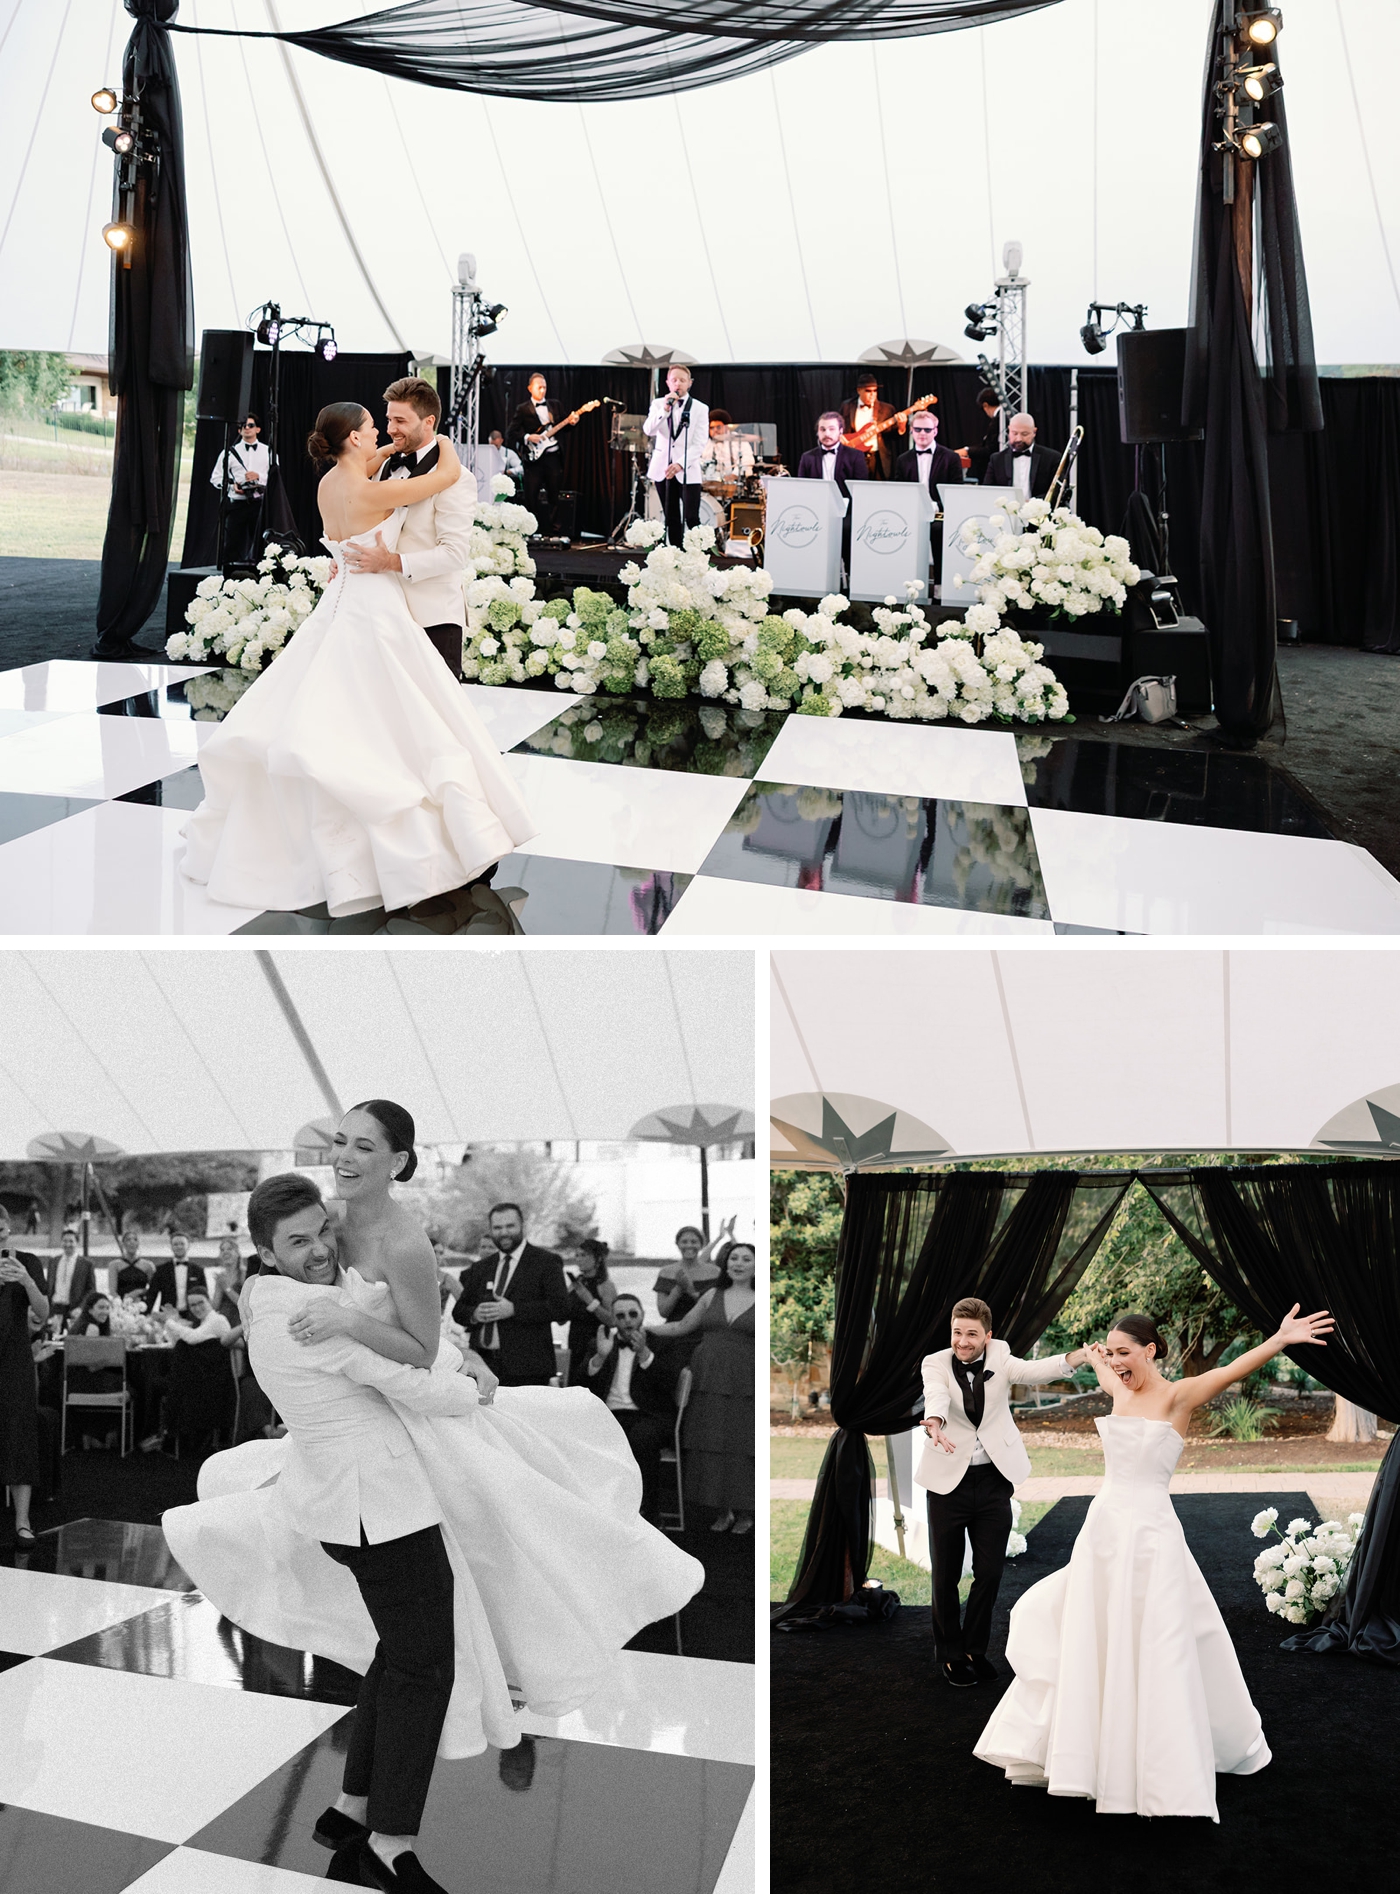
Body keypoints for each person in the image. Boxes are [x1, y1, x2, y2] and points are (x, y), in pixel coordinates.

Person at [163, 1164, 704, 1890]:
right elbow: (410, 1381)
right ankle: (391, 1839)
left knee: (399, 1653)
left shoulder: (274, 1295)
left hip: (348, 1505)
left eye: (323, 1230)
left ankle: (352, 1806)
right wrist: (475, 1385)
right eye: (299, 1241)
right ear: (266, 1251)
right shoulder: (304, 1322)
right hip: (376, 1512)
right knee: (428, 1666)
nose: (321, 1248)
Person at [181, 399, 536, 925]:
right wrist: (442, 444)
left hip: (344, 601)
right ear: (354, 439)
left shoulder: (331, 485)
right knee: (399, 720)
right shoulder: (375, 489)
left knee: (342, 710)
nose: (382, 434)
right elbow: (446, 475)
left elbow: (373, 484)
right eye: (375, 427)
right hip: (378, 606)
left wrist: (397, 444)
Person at [974, 1304, 1333, 1820]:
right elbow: (1101, 1365)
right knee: (1091, 1630)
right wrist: (1096, 1356)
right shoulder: (1120, 1389)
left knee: (1158, 1638)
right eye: (1112, 1353)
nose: (1118, 1363)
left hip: (1151, 1533)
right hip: (1103, 1530)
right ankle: (1090, 1749)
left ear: (1151, 1350)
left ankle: (1160, 1763)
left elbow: (1231, 1369)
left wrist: (1279, 1340)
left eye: (1126, 1353)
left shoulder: (1177, 1395)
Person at [914, 1297, 1088, 1688]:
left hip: (993, 1481)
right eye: (957, 1332)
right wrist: (936, 1421)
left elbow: (1034, 1372)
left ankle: (975, 1648)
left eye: (971, 1334)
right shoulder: (935, 1363)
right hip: (947, 1484)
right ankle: (951, 1655)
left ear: (987, 1336)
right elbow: (936, 1395)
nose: (962, 1341)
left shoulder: (1002, 1356)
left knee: (989, 1572)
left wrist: (1077, 1357)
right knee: (945, 1575)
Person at [340, 377, 479, 682]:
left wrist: (392, 562)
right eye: (389, 419)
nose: (391, 428)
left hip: (432, 618)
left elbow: (455, 554)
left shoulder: (457, 478)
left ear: (429, 422)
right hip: (381, 615)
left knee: (435, 721)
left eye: (400, 420)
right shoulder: (379, 469)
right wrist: (343, 563)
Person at [651, 1237, 755, 1533]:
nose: (738, 1263)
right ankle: (723, 1511)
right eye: (734, 1258)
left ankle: (747, 1512)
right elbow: (681, 1326)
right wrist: (644, 1329)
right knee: (713, 1443)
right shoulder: (711, 1294)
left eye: (746, 1259)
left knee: (741, 1444)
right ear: (726, 1263)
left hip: (746, 1382)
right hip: (708, 1378)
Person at [451, 1202, 572, 1388]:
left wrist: (514, 1310)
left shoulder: (546, 1262)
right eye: (497, 1228)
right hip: (483, 1367)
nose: (504, 1232)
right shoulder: (481, 1268)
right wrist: (475, 1314)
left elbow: (562, 1308)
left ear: (522, 1226)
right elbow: (459, 1311)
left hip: (527, 1369)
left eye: (510, 1226)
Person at [585, 1295, 680, 1523]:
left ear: (643, 1315)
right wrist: (599, 1357)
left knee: (642, 1438)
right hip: (610, 1415)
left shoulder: (662, 1344)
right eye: (620, 1316)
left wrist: (645, 1355)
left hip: (650, 1415)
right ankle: (596, 1513)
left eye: (632, 1314)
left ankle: (647, 1513)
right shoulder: (602, 1343)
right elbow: (581, 1386)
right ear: (613, 1321)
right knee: (587, 1435)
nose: (627, 1320)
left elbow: (671, 1384)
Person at [0, 1201, 50, 1544]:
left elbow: (43, 1313)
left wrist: (28, 1281)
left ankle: (22, 1519)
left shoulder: (28, 1261)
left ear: (8, 1228)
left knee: (20, 1432)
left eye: (1, 1229)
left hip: (15, 1357)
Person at [894, 409, 964, 584]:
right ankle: (906, 583)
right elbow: (899, 491)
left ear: (935, 431)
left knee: (939, 532)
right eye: (918, 429)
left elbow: (955, 491)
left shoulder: (951, 457)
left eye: (927, 430)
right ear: (911, 430)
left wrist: (937, 505)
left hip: (941, 515)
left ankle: (940, 586)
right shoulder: (902, 460)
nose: (922, 434)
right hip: (911, 515)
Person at [643, 364, 709, 547]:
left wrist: (680, 463)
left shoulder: (700, 408)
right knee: (671, 517)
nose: (678, 384)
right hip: (663, 468)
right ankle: (676, 556)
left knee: (691, 517)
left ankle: (699, 556)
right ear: (667, 383)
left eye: (682, 380)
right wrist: (664, 409)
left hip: (688, 469)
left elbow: (700, 442)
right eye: (674, 380)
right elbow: (648, 430)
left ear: (690, 383)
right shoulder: (658, 405)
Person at [507, 372, 576, 536]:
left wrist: (572, 423)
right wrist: (527, 437)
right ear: (530, 388)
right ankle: (530, 531)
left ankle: (555, 531)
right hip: (534, 459)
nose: (543, 390)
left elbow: (563, 428)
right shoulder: (523, 409)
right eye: (539, 387)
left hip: (553, 456)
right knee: (531, 496)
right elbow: (511, 432)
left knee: (554, 494)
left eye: (545, 387)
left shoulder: (555, 405)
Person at [210, 413, 274, 562]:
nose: (247, 428)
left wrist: (259, 477)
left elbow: (275, 478)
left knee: (261, 544)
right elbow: (216, 477)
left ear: (258, 429)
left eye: (250, 425)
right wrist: (232, 487)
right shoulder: (229, 452)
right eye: (243, 426)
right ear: (239, 431)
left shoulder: (268, 452)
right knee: (232, 543)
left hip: (259, 503)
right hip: (236, 504)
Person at [564, 1238, 616, 1384]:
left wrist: (590, 1301)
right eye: (577, 1255)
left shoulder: (605, 1285)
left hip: (596, 1343)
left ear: (597, 1259)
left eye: (584, 1255)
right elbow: (562, 1318)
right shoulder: (576, 1284)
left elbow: (612, 1321)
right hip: (575, 1341)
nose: (579, 1259)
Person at [984, 411, 1058, 500]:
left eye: (1024, 434)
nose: (1019, 439)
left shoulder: (1051, 458)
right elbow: (988, 491)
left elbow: (1056, 492)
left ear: (1034, 432)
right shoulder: (996, 459)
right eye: (1014, 433)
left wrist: (1032, 504)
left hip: (1039, 511)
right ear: (1009, 430)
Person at [839, 376, 902, 478]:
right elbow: (839, 426)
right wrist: (840, 437)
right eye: (868, 391)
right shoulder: (847, 406)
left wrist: (901, 426)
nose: (873, 394)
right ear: (859, 390)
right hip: (854, 456)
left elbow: (894, 436)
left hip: (877, 458)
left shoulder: (887, 409)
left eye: (875, 391)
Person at [797, 413, 868, 496]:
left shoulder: (855, 456)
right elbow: (802, 488)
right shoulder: (807, 457)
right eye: (822, 429)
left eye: (831, 429)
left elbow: (861, 489)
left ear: (840, 431)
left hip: (846, 506)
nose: (827, 434)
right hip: (816, 505)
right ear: (817, 432)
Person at [144, 1230, 208, 1315]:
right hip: (168, 1315)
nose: (179, 1247)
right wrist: (145, 1315)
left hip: (193, 1315)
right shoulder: (161, 1270)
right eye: (176, 1244)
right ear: (171, 1247)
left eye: (182, 1244)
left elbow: (204, 1295)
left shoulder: (198, 1270)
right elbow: (152, 1295)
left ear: (188, 1246)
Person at [43, 1227, 95, 1327]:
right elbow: (49, 1286)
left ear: (77, 1243)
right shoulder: (54, 1262)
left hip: (74, 1310)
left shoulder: (86, 1264)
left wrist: (81, 1308)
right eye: (65, 1241)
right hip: (55, 1309)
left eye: (71, 1241)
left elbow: (91, 1290)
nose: (67, 1244)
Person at [957, 388, 1003, 483]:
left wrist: (967, 450)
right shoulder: (1002, 417)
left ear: (985, 405)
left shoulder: (998, 420)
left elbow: (990, 449)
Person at [472, 428, 523, 495]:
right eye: (491, 445)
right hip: (486, 483)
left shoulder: (509, 453)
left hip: (502, 486)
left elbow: (521, 467)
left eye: (496, 445)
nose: (494, 448)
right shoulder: (484, 452)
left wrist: (509, 471)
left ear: (501, 441)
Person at [113, 1228, 154, 1299]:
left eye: (135, 1240)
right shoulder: (114, 1265)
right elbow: (112, 1291)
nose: (132, 1242)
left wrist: (139, 1291)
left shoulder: (148, 1265)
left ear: (138, 1244)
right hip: (121, 1302)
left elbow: (153, 1289)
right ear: (123, 1244)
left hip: (141, 1303)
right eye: (128, 1240)